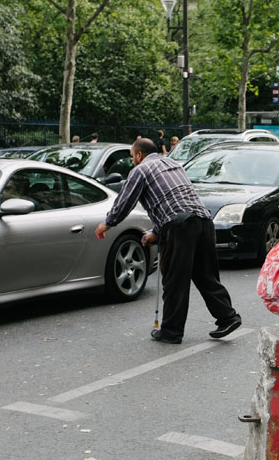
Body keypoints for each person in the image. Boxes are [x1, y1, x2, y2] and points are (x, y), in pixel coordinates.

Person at [95, 138, 240, 344]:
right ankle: (228, 317)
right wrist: (156, 231)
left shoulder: (141, 170)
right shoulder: (174, 165)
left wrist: (107, 223)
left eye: (131, 157)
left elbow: (125, 201)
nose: (132, 161)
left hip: (180, 227)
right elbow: (175, 201)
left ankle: (171, 331)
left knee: (174, 280)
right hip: (204, 221)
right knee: (206, 276)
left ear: (139, 155)